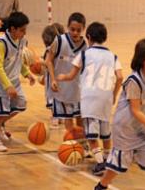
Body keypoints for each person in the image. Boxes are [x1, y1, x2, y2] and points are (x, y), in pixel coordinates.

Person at [95, 38, 145, 190]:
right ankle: (101, 186)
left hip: (142, 123)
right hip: (125, 126)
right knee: (119, 164)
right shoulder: (134, 81)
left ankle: (132, 154)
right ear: (143, 58)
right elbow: (135, 111)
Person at [57, 22, 123, 176]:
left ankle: (100, 163)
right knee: (105, 134)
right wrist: (113, 94)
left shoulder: (85, 54)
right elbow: (120, 76)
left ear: (88, 37)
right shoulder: (113, 56)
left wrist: (62, 76)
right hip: (106, 97)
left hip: (89, 98)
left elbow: (72, 75)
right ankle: (108, 159)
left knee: (91, 136)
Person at [0, 12, 35, 152]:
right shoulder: (2, 42)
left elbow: (18, 60)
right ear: (12, 29)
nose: (24, 32)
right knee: (1, 112)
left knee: (21, 104)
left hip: (13, 79)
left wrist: (27, 74)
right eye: (22, 30)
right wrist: (7, 85)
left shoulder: (21, 41)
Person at [45, 12, 87, 131]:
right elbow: (48, 61)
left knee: (80, 118)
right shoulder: (59, 41)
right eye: (72, 29)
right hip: (61, 88)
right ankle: (71, 143)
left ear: (83, 29)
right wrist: (53, 79)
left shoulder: (85, 46)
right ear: (68, 27)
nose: (75, 33)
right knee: (68, 118)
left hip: (77, 87)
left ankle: (82, 143)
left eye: (79, 30)